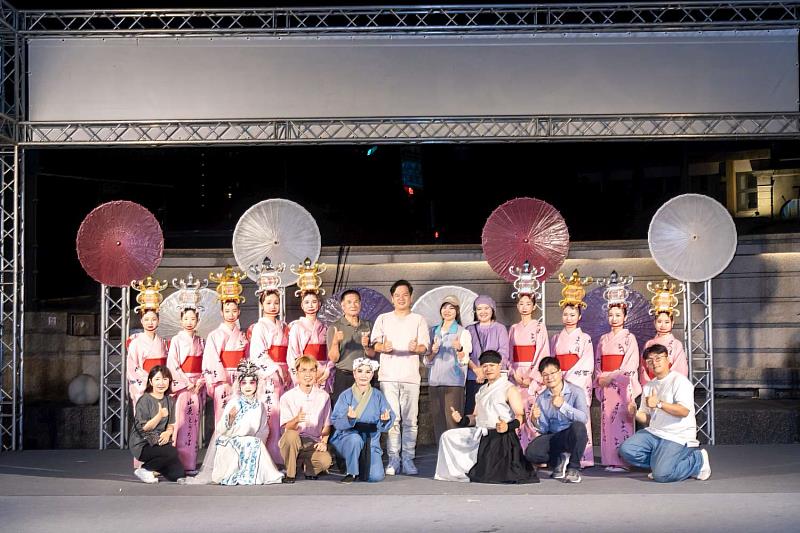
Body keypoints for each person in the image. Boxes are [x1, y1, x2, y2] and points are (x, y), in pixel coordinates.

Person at [435, 350, 536, 484]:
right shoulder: (482, 390)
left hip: (501, 436)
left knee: (491, 474)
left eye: (491, 365)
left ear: (499, 366)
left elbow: (520, 416)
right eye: (485, 366)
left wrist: (507, 426)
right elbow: (475, 417)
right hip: (480, 432)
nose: (488, 369)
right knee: (447, 436)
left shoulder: (509, 388)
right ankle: (455, 472)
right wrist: (461, 420)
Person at [181, 360, 284, 485]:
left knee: (254, 443)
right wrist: (230, 419)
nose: (248, 386)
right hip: (230, 442)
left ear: (257, 384)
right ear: (239, 385)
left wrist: (257, 439)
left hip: (252, 442)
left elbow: (264, 429)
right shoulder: (234, 402)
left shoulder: (259, 405)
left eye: (251, 382)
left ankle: (258, 474)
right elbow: (221, 429)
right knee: (252, 443)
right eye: (244, 383)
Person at [620, 344, 711, 482]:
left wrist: (659, 404)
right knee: (627, 450)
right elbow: (647, 418)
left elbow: (684, 411)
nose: (654, 363)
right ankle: (661, 464)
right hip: (655, 433)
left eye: (658, 358)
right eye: (650, 361)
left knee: (662, 475)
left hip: (677, 435)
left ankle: (697, 460)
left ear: (668, 359)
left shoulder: (680, 381)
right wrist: (635, 413)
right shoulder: (649, 386)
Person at [371, 279, 430, 476]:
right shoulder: (383, 319)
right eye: (397, 295)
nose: (401, 298)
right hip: (388, 376)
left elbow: (425, 347)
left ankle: (408, 459)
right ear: (392, 298)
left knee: (410, 421)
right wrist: (383, 347)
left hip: (410, 376)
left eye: (405, 295)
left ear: (411, 297)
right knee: (392, 419)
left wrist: (416, 348)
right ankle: (393, 458)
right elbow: (374, 344)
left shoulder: (418, 320)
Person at [594, 271, 641, 472]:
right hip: (606, 385)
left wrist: (611, 376)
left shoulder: (630, 338)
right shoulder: (603, 339)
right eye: (611, 315)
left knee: (622, 420)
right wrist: (600, 377)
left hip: (621, 387)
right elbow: (598, 362)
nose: (614, 318)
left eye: (618, 315)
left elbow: (631, 365)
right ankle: (609, 459)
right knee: (607, 421)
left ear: (625, 316)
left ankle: (623, 460)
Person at [549, 269, 595, 467]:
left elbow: (587, 363)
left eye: (572, 314)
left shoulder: (585, 338)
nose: (568, 317)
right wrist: (557, 378)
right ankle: (561, 455)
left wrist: (568, 377)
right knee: (559, 416)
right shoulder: (555, 338)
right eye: (566, 314)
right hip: (559, 381)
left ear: (579, 316)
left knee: (578, 416)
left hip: (576, 382)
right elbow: (552, 362)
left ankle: (582, 456)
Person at [248, 262, 291, 466]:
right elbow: (258, 354)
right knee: (271, 414)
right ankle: (269, 457)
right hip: (270, 376)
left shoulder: (283, 326)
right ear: (262, 304)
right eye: (268, 302)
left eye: (276, 302)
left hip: (284, 373)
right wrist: (276, 368)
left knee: (283, 414)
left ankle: (281, 454)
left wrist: (287, 369)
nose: (273, 306)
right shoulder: (260, 327)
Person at [166, 274, 207, 473]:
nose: (189, 322)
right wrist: (185, 381)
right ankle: (180, 463)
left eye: (193, 318)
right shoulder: (176, 340)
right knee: (182, 422)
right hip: (183, 387)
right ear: (180, 319)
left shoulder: (201, 341)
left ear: (198, 320)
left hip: (196, 385)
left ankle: (191, 462)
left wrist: (200, 381)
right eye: (186, 318)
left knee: (194, 423)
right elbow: (172, 364)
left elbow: (205, 363)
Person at [330, 358, 395, 483]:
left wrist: (385, 420)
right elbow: (336, 420)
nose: (363, 375)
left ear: (372, 374)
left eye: (367, 372)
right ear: (354, 374)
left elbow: (389, 415)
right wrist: (349, 419)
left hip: (371, 439)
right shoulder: (346, 395)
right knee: (355, 440)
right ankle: (351, 472)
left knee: (375, 477)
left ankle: (360, 464)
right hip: (349, 436)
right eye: (360, 371)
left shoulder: (377, 395)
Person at [525, 357, 589, 483]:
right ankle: (559, 460)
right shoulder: (542, 397)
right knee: (532, 453)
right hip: (554, 436)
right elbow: (544, 429)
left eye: (552, 373)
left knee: (579, 428)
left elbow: (583, 418)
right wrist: (535, 420)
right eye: (545, 374)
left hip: (570, 434)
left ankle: (573, 468)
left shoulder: (576, 392)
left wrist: (563, 406)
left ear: (560, 372)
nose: (549, 377)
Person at [203, 267, 249, 427]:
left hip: (241, 379)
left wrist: (244, 377)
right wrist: (223, 381)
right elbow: (211, 360)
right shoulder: (215, 335)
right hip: (222, 381)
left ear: (239, 312)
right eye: (227, 311)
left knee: (241, 417)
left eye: (234, 311)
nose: (231, 314)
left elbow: (247, 359)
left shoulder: (242, 336)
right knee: (223, 419)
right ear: (221, 313)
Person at [424, 295, 472, 443]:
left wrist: (459, 349)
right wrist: (433, 352)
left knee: (453, 422)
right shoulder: (433, 331)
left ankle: (455, 454)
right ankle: (441, 454)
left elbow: (465, 360)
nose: (447, 311)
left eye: (451, 308)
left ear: (457, 311)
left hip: (453, 384)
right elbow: (426, 360)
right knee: (438, 423)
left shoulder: (462, 332)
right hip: (434, 382)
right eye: (445, 307)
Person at [279, 356, 334, 483]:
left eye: (311, 370)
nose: (308, 374)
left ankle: (308, 467)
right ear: (297, 373)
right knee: (291, 436)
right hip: (295, 439)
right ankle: (290, 473)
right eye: (303, 370)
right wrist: (296, 419)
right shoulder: (287, 397)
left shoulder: (324, 396)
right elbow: (287, 427)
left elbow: (327, 424)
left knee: (325, 461)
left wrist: (324, 442)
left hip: (313, 441)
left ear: (316, 373)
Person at [508, 290, 550, 449]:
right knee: (517, 412)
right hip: (517, 375)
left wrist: (532, 377)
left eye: (528, 304)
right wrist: (513, 373)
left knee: (533, 413)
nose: (524, 307)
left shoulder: (539, 327)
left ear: (533, 307)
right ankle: (518, 451)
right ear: (517, 306)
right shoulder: (513, 328)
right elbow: (509, 354)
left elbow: (542, 352)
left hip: (532, 376)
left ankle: (535, 451)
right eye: (521, 304)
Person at [129, 365, 185, 483]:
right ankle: (145, 469)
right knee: (172, 452)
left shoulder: (170, 401)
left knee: (178, 474)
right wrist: (159, 416)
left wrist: (168, 432)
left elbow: (171, 424)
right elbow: (144, 428)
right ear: (151, 381)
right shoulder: (144, 400)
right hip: (143, 443)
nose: (161, 383)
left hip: (160, 441)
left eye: (165, 379)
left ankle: (155, 469)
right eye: (157, 379)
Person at [327, 289, 377, 407]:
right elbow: (334, 358)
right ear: (343, 306)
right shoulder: (335, 327)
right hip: (344, 377)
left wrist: (366, 346)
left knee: (366, 411)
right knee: (344, 412)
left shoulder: (368, 325)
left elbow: (373, 354)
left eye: (356, 302)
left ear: (360, 304)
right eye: (349, 302)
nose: (353, 305)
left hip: (365, 376)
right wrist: (335, 342)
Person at [127, 277, 169, 414]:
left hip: (162, 387)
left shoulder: (164, 342)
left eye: (153, 319)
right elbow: (133, 369)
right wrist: (151, 381)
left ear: (159, 320)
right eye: (146, 319)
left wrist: (162, 382)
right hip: (145, 387)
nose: (150, 323)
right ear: (141, 320)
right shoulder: (135, 343)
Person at [464, 295, 509, 416]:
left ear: (492, 309)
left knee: (493, 413)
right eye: (479, 309)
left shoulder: (500, 329)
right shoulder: (469, 330)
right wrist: (476, 370)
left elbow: (504, 353)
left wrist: (486, 371)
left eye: (486, 308)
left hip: (494, 378)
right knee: (473, 412)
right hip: (474, 378)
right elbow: (465, 354)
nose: (483, 312)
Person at [640, 279, 688, 387]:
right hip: (651, 383)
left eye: (666, 322)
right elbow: (643, 367)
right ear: (654, 322)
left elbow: (680, 369)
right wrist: (649, 383)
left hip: (669, 385)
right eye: (659, 322)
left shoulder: (676, 344)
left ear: (672, 323)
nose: (662, 325)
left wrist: (666, 382)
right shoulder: (649, 344)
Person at [288, 290, 332, 391]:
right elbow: (293, 354)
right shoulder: (297, 327)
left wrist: (328, 369)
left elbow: (330, 352)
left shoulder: (325, 327)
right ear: (302, 305)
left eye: (314, 302)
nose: (310, 305)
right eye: (307, 302)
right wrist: (300, 373)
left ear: (319, 304)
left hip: (322, 370)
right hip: (305, 370)